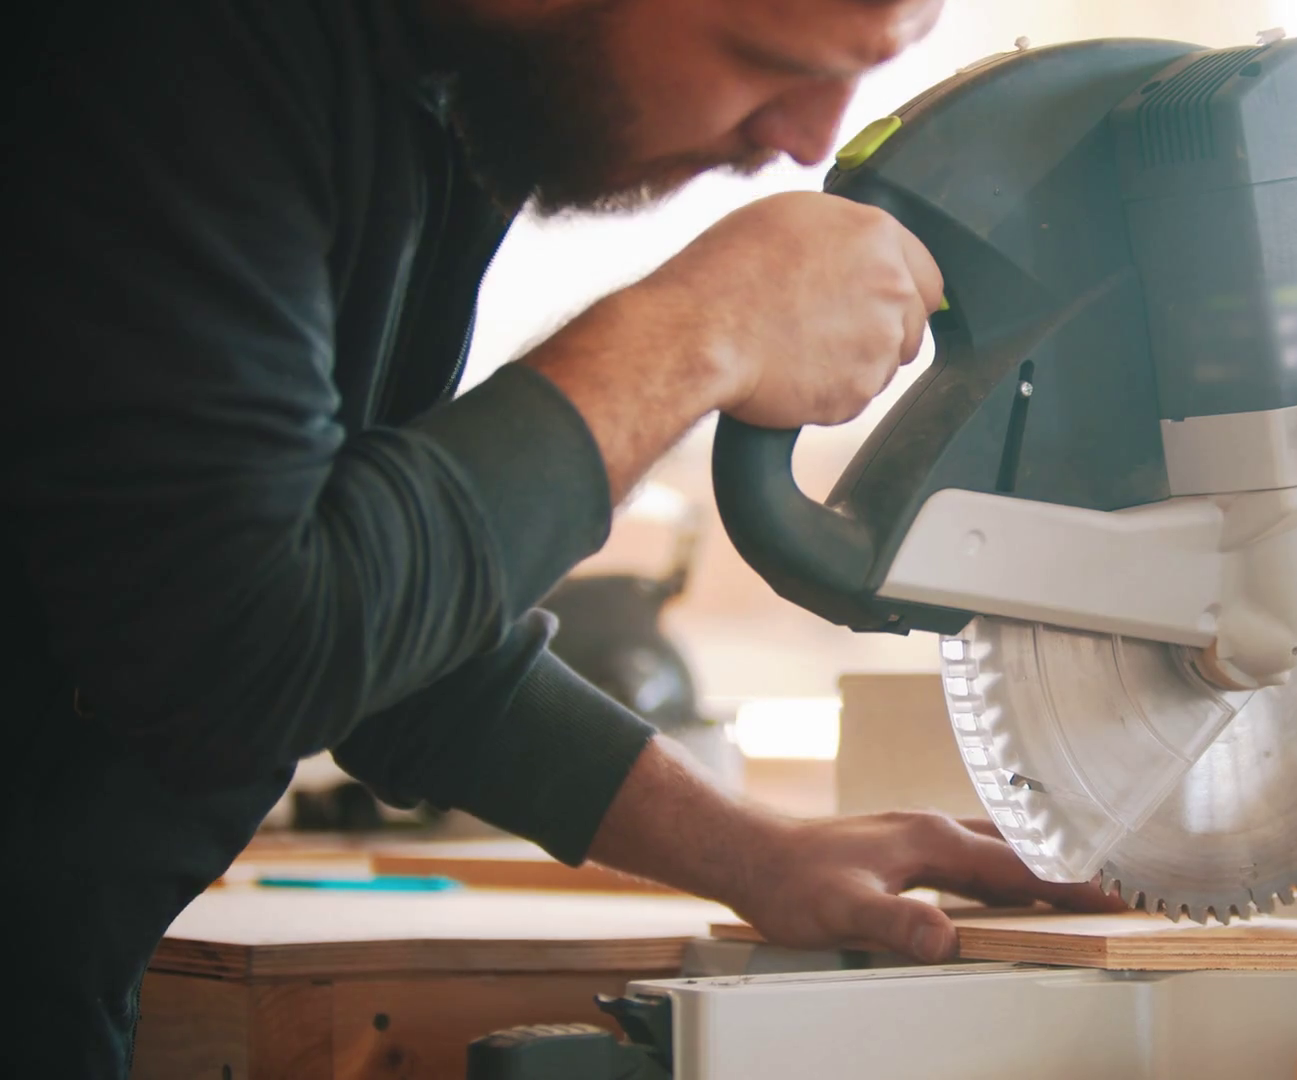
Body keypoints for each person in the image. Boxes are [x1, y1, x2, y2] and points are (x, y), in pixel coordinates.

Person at [2, 1, 1118, 1073]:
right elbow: (241, 649)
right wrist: (700, 327)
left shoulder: (441, 97)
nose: (804, 139)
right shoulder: (165, 46)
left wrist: (754, 852)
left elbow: (385, 624)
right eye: (766, 54)